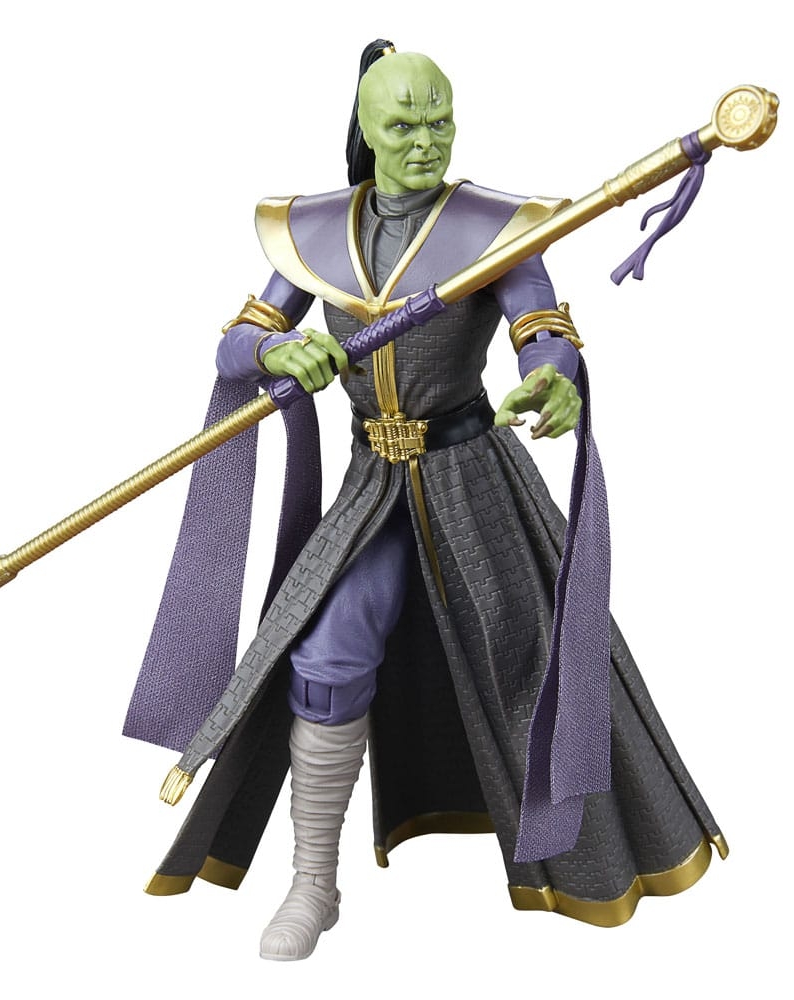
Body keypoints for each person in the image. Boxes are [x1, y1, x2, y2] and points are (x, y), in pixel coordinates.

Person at [124, 43, 725, 961]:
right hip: (372, 487)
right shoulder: (314, 230)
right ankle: (313, 883)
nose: (424, 141)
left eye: (438, 120)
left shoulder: (492, 225)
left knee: (534, 664)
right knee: (323, 659)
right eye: (402, 123)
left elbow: (543, 328)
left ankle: (586, 860)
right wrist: (275, 351)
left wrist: (553, 380)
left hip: (472, 478)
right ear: (364, 130)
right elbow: (239, 338)